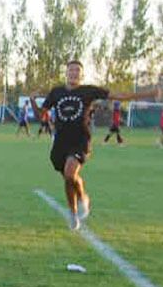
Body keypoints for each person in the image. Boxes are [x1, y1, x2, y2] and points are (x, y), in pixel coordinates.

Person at [29, 59, 156, 228]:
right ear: (66, 73)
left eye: (77, 71)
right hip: (60, 143)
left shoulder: (88, 91)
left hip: (80, 140)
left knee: (69, 172)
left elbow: (119, 96)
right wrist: (32, 100)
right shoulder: (56, 92)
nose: (74, 73)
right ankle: (77, 204)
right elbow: (41, 116)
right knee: (70, 179)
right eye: (71, 70)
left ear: (81, 75)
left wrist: (148, 93)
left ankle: (74, 211)